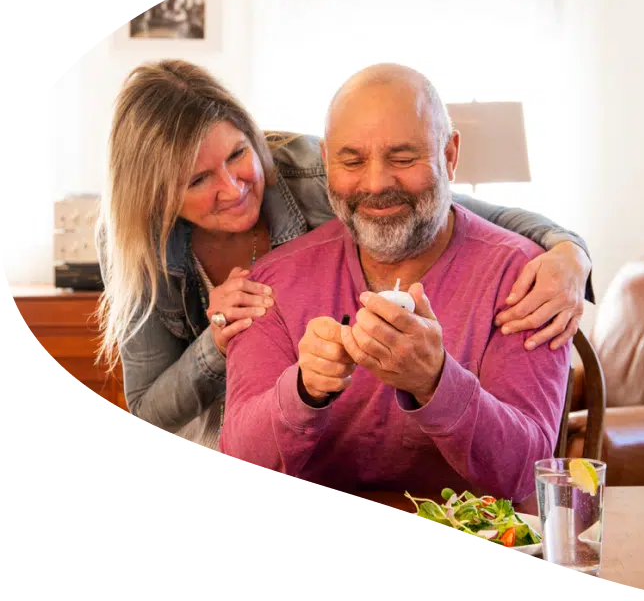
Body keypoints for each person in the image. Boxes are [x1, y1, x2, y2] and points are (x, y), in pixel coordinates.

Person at [96, 59, 591, 458]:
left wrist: (569, 252)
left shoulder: (319, 170)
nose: (232, 188)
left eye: (237, 155)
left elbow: (447, 205)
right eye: (196, 180)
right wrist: (218, 342)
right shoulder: (134, 241)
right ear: (155, 197)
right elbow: (151, 413)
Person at [218, 62, 573, 502]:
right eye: (352, 161)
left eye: (403, 158)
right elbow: (239, 462)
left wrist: (435, 381)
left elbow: (528, 476)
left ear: (449, 156)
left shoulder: (526, 280)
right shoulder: (272, 283)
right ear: (326, 163)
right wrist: (303, 388)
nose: (376, 183)